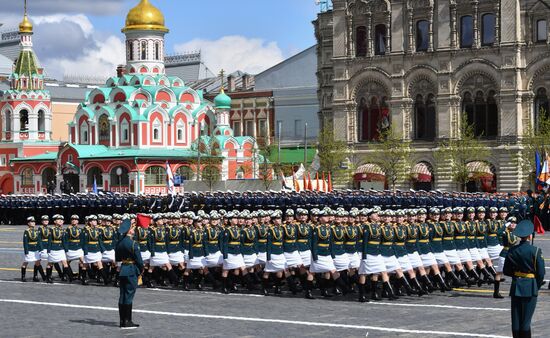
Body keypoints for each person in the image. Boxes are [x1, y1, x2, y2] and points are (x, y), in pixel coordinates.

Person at [503, 220, 545, 338]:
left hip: (516, 285)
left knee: (516, 320)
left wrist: (517, 275)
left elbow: (507, 270)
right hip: (530, 286)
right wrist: (536, 285)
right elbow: (541, 273)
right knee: (526, 321)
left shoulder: (512, 250)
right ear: (530, 236)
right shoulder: (535, 251)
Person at [115, 218, 144, 329]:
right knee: (129, 295)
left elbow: (117, 258)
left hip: (123, 269)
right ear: (129, 230)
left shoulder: (120, 242)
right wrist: (140, 269)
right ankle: (127, 321)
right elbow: (139, 261)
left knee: (122, 295)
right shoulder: (133, 243)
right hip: (131, 269)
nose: (134, 229)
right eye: (132, 227)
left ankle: (122, 321)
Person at [21, 216, 44, 282]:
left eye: (34, 222)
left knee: (38, 263)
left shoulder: (37, 231)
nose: (33, 223)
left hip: (36, 249)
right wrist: (26, 251)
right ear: (28, 223)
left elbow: (39, 240)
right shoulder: (26, 231)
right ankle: (23, 276)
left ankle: (36, 276)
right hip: (30, 249)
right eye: (31, 222)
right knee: (25, 262)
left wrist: (41, 249)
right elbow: (25, 242)